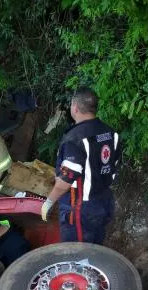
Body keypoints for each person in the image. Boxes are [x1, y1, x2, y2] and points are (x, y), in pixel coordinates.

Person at [40, 87, 122, 245]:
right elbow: (114, 166)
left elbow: (66, 180)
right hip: (104, 201)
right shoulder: (111, 133)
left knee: (77, 253)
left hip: (80, 208)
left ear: (75, 107)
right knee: (95, 246)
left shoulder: (74, 139)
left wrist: (49, 202)